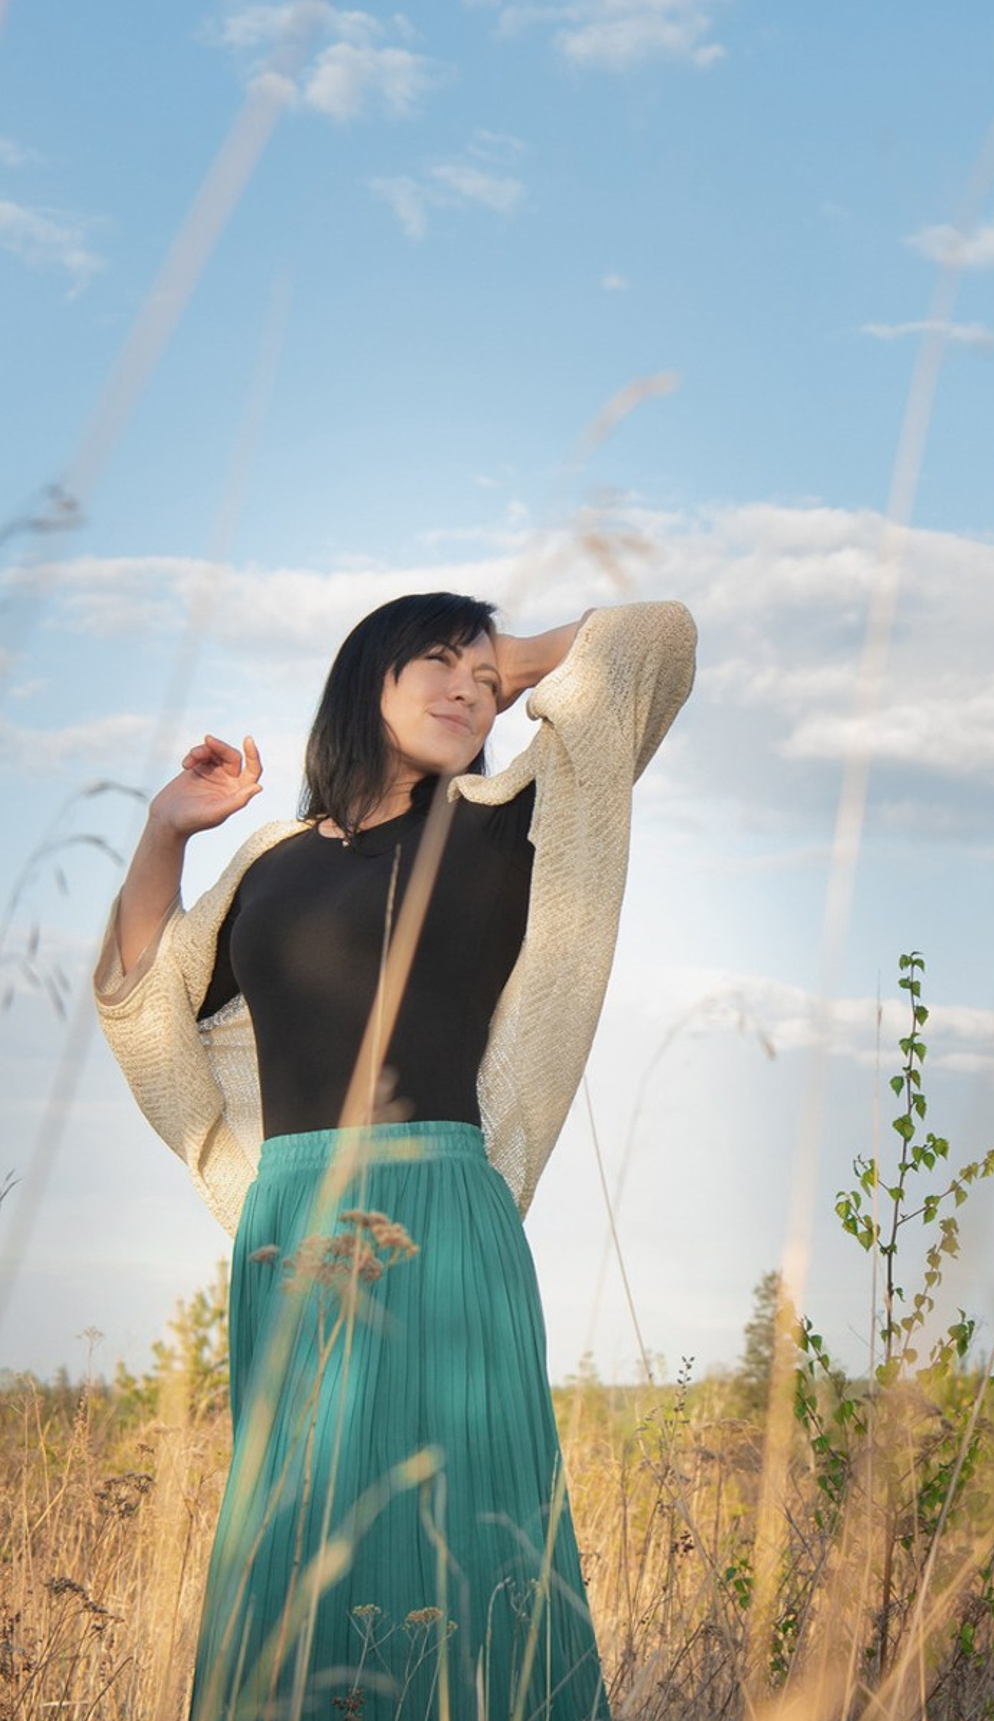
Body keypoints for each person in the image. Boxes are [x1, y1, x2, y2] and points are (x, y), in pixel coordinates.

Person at [93, 593, 696, 1720]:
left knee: (467, 1533)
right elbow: (146, 998)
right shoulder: (269, 864)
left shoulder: (506, 818)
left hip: (443, 1218)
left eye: (482, 672)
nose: (464, 687)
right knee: (293, 1536)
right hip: (291, 1230)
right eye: (434, 662)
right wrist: (169, 830)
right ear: (363, 679)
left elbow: (653, 637)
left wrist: (498, 664)